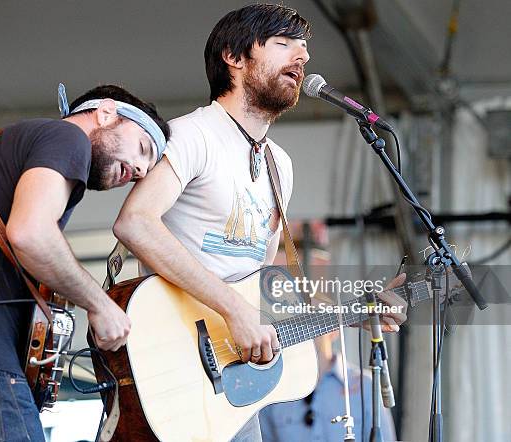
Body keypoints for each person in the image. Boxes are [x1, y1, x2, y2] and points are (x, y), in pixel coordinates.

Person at [113, 4, 407, 441]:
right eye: (284, 44)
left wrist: (348, 315)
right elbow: (134, 223)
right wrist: (235, 310)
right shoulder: (194, 135)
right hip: (172, 366)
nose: (302, 58)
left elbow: (262, 292)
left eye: (304, 49)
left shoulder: (279, 165)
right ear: (234, 57)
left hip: (230, 389)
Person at [0, 83, 170, 441]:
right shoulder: (66, 138)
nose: (138, 169)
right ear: (106, 113)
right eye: (142, 148)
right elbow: (31, 233)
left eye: (146, 170)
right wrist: (100, 304)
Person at [259, 331, 397, 442]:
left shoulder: (365, 385)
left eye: (311, 323)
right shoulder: (273, 393)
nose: (302, 332)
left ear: (334, 330)